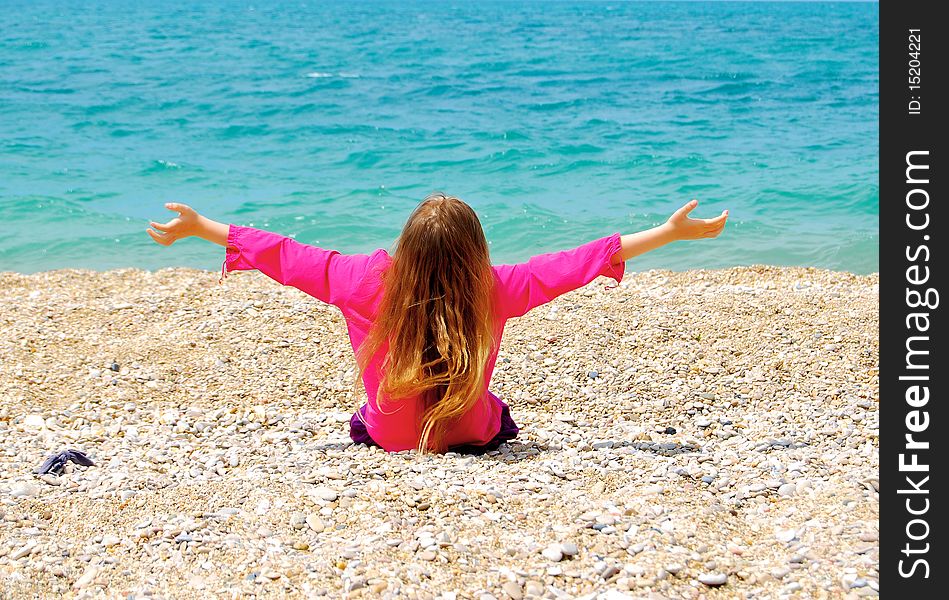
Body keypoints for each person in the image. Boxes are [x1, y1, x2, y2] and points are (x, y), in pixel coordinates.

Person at [147, 192, 727, 454]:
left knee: (367, 414)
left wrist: (202, 227)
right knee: (497, 412)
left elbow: (282, 254)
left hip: (391, 437)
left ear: (405, 246)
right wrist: (670, 233)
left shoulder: (362, 280)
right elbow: (577, 262)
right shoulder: (494, 288)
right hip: (473, 432)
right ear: (476, 250)